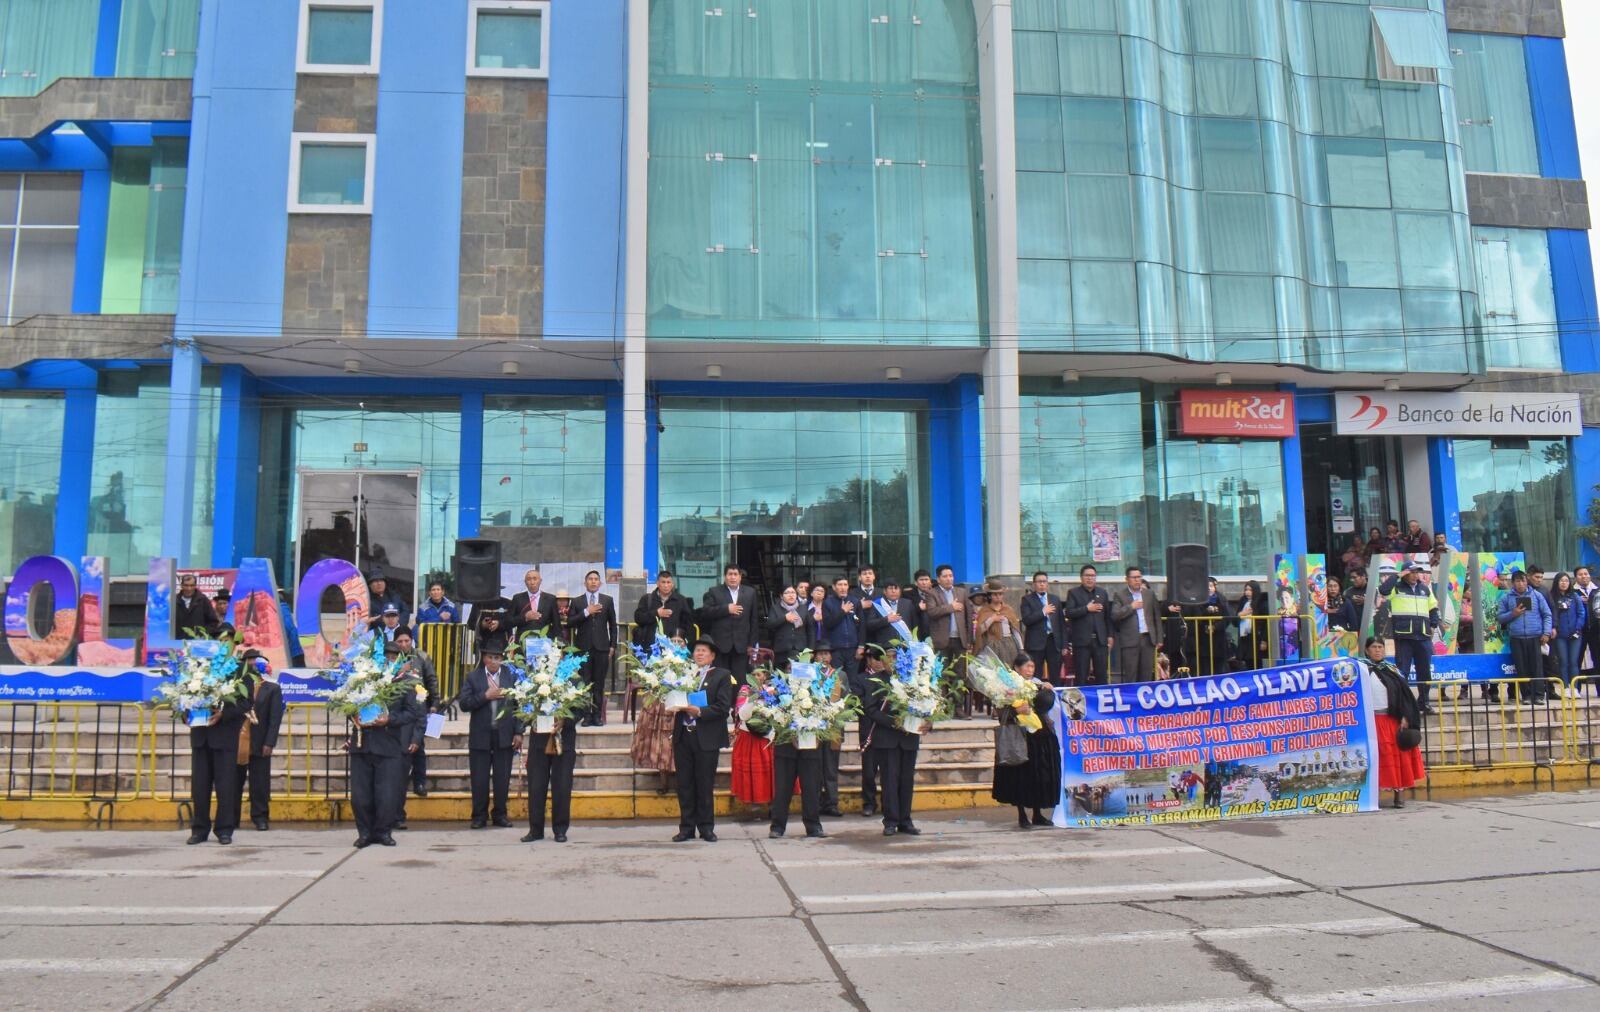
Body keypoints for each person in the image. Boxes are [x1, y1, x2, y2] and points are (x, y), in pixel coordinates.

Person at [346, 657, 425, 847]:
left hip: (389, 746)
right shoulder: (361, 681)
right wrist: (353, 714)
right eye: (384, 658)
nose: (387, 662)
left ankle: (383, 832)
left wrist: (389, 719)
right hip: (362, 745)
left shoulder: (406, 684)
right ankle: (364, 833)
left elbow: (411, 713)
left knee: (387, 794)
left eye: (392, 658)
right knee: (360, 794)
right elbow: (348, 705)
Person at [672, 638, 734, 842]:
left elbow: (723, 707)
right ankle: (686, 827)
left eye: (704, 651)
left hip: (706, 736)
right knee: (685, 784)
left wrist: (700, 711)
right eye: (697, 650)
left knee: (704, 783)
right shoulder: (682, 673)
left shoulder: (721, 675)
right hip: (683, 734)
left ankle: (706, 827)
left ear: (712, 655)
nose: (699, 654)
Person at [990, 656, 1061, 828]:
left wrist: (1046, 691)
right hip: (1018, 736)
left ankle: (1038, 814)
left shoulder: (1036, 683)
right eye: (1027, 666)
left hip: (1038, 735)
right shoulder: (1005, 686)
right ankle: (1022, 815)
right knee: (1020, 776)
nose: (1030, 670)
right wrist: (1015, 709)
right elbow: (998, 710)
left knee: (1039, 775)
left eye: (1032, 666)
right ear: (1017, 668)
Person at [185, 665, 249, 846]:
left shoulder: (238, 671)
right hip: (201, 737)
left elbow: (246, 703)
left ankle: (224, 829)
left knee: (226, 787)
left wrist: (224, 713)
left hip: (224, 738)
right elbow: (184, 697)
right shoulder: (195, 669)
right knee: (199, 787)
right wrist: (185, 714)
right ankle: (199, 830)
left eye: (225, 641)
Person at [862, 649, 923, 837]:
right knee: (889, 781)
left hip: (909, 737)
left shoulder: (913, 679)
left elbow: (925, 704)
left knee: (906, 780)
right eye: (889, 658)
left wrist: (927, 722)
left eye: (896, 658)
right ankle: (890, 820)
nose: (893, 661)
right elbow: (870, 709)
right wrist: (893, 722)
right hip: (887, 738)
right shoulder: (876, 680)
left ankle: (906, 820)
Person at [459, 645, 521, 828]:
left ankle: (500, 814)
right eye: (491, 657)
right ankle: (479, 816)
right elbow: (464, 704)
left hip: (504, 734)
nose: (494, 661)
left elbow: (519, 705)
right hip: (481, 734)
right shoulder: (473, 677)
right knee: (479, 778)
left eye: (497, 658)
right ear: (484, 658)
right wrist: (485, 696)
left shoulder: (511, 677)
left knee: (502, 778)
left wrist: (518, 731)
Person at [1363, 637, 1425, 808]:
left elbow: (1404, 696)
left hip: (1391, 720)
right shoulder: (1361, 671)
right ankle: (1372, 796)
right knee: (1374, 759)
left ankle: (1399, 794)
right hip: (1370, 721)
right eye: (1374, 647)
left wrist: (1405, 716)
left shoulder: (1392, 670)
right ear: (1367, 650)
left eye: (1380, 647)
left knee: (1397, 758)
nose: (1378, 650)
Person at [232, 651, 283, 832]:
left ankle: (260, 817)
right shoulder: (235, 686)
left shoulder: (272, 688)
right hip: (237, 742)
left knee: (260, 783)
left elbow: (275, 718)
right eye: (249, 662)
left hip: (260, 742)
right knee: (232, 782)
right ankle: (231, 818)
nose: (253, 665)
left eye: (256, 662)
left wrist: (269, 742)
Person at [1386, 562, 1439, 714]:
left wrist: (1433, 625)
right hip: (1404, 637)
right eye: (1413, 572)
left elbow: (1433, 608)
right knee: (1403, 672)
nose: (1416, 575)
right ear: (1405, 573)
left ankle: (1424, 702)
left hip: (1423, 637)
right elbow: (1383, 590)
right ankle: (1404, 705)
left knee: (1425, 672)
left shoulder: (1424, 588)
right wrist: (1397, 576)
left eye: (1418, 572)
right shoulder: (1396, 587)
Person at [522, 704, 579, 844]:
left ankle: (560, 830)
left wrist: (565, 721)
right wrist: (531, 719)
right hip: (538, 741)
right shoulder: (533, 681)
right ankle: (535, 830)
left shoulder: (574, 681)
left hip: (564, 741)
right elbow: (523, 704)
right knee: (536, 786)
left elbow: (581, 708)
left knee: (562, 786)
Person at [393, 628, 438, 800]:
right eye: (400, 641)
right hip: (398, 709)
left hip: (419, 706)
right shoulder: (391, 658)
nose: (403, 644)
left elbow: (431, 680)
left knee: (418, 746)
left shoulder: (421, 657)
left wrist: (435, 703)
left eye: (406, 641)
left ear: (411, 640)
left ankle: (420, 782)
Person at [568, 570, 617, 726]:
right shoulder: (577, 601)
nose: (593, 582)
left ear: (600, 583)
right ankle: (586, 715)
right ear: (585, 582)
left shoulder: (607, 600)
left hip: (602, 647)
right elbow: (570, 622)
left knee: (599, 683)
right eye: (590, 579)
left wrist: (612, 646)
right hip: (583, 647)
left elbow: (613, 625)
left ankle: (597, 715)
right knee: (585, 682)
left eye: (596, 579)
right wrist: (586, 612)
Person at [1497, 570, 1552, 705]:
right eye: (1517, 581)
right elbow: (1499, 617)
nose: (1520, 584)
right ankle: (1526, 696)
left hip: (1535, 636)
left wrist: (1546, 633)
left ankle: (1539, 695)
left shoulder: (1537, 595)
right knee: (1521, 668)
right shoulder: (1506, 598)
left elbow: (1547, 614)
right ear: (1513, 583)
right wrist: (1513, 613)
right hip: (1516, 638)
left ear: (1527, 581)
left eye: (1523, 581)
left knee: (1537, 667)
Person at [700, 564, 758, 680]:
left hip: (741, 645)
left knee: (740, 679)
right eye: (730, 574)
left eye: (735, 574)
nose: (733, 577)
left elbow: (754, 619)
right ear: (725, 576)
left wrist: (752, 644)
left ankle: (737, 699)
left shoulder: (750, 593)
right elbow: (706, 612)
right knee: (720, 679)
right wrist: (726, 609)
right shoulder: (714, 591)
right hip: (721, 645)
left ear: (740, 577)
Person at [731, 671, 776, 819]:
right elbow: (742, 715)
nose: (758, 677)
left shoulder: (773, 689)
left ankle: (773, 804)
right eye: (755, 675)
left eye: (761, 674)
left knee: (770, 773)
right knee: (750, 772)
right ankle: (753, 805)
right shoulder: (745, 691)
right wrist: (753, 698)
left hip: (767, 737)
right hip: (748, 736)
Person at [811, 642, 845, 817]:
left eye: (826, 654)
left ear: (831, 657)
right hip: (814, 728)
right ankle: (814, 803)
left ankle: (832, 803)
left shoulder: (840, 675)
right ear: (814, 656)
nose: (823, 657)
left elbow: (847, 703)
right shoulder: (809, 674)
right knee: (815, 768)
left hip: (833, 729)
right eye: (820, 654)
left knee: (831, 768)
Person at [1064, 565, 1113, 685]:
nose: (1090, 578)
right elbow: (1069, 612)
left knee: (1102, 675)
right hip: (1082, 642)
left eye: (1092, 576)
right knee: (1081, 675)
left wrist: (1110, 636)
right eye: (1087, 575)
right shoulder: (1073, 593)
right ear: (1081, 578)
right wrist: (1087, 608)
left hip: (1100, 641)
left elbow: (1108, 617)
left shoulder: (1102, 593)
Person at [1110, 566, 1160, 683]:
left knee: (1146, 673)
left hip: (1148, 638)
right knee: (1131, 674)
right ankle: (1132, 699)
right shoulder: (1120, 595)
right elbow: (1115, 615)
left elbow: (1156, 616)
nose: (1137, 580)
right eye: (1134, 577)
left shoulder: (1149, 594)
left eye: (1139, 577)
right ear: (1127, 579)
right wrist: (1131, 607)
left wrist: (1159, 637)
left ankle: (1145, 699)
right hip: (1130, 640)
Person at [1019, 571, 1063, 683]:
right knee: (1035, 675)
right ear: (1034, 584)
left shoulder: (1055, 599)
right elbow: (1027, 620)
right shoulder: (1027, 599)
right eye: (1039, 582)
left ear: (1047, 584)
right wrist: (1043, 612)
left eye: (1044, 581)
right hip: (1035, 644)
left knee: (1055, 675)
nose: (1042, 584)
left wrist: (1064, 644)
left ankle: (1054, 698)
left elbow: (1061, 623)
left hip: (1053, 642)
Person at [923, 565, 971, 665]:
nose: (949, 579)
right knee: (942, 673)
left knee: (960, 673)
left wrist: (970, 639)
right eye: (945, 576)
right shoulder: (932, 593)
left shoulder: (962, 592)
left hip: (960, 640)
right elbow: (932, 612)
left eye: (951, 576)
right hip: (942, 641)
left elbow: (968, 617)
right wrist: (951, 607)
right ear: (938, 579)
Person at [1550, 572, 1588, 696]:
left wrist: (1577, 628)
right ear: (1556, 582)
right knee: (1563, 661)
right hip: (1560, 635)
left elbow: (1581, 613)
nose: (1564, 583)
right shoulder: (1552, 597)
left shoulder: (1575, 596)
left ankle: (1575, 688)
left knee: (1573, 661)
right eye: (1561, 580)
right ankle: (1565, 687)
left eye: (1566, 580)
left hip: (1575, 634)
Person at [634, 570, 693, 648]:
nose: (666, 585)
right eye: (663, 582)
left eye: (668, 582)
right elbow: (638, 618)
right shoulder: (647, 599)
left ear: (672, 584)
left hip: (673, 647)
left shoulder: (680, 600)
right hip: (650, 646)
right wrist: (656, 614)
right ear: (658, 583)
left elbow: (688, 624)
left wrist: (684, 640)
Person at [974, 579, 1022, 666]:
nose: (998, 597)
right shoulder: (984, 611)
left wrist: (1021, 648)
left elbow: (1015, 630)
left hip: (1009, 644)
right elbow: (979, 630)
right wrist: (992, 619)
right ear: (990, 596)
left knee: (1009, 668)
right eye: (995, 594)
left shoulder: (1008, 609)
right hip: (992, 645)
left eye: (1000, 594)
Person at [823, 575, 863, 678]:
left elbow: (862, 626)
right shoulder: (828, 603)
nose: (843, 587)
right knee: (837, 680)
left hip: (853, 649)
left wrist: (861, 646)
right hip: (835, 649)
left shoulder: (855, 601)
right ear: (834, 587)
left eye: (845, 585)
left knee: (853, 679)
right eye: (840, 585)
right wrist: (843, 612)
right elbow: (828, 624)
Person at [1194, 578, 1235, 677]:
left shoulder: (1221, 599)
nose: (1209, 588)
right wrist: (1207, 612)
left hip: (1218, 639)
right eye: (1206, 586)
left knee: (1219, 667)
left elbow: (1227, 617)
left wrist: (1215, 627)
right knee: (1205, 666)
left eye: (1211, 586)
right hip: (1204, 639)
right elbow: (1196, 616)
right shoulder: (1198, 600)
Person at [863, 579, 918, 653]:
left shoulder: (908, 603)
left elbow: (914, 625)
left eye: (896, 588)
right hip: (886, 647)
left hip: (906, 647)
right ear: (885, 591)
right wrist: (886, 620)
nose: (893, 591)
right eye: (890, 588)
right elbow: (869, 625)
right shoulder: (877, 604)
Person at [509, 569, 560, 642]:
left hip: (544, 641)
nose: (532, 582)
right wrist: (525, 617)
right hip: (523, 641)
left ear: (540, 581)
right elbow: (509, 621)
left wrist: (559, 644)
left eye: (535, 579)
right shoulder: (517, 598)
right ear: (525, 582)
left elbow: (556, 624)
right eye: (529, 579)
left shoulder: (550, 599)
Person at [766, 585, 810, 664]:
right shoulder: (775, 608)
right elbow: (769, 625)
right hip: (782, 648)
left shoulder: (803, 608)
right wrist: (784, 618)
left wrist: (811, 648)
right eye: (787, 593)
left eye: (793, 592)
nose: (791, 595)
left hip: (800, 648)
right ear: (781, 596)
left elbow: (810, 629)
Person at [174, 574, 222, 639]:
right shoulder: (174, 601)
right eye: (186, 585)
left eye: (192, 585)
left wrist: (203, 635)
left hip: (198, 642)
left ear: (195, 586)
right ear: (181, 585)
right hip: (177, 642)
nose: (189, 588)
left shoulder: (203, 600)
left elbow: (213, 622)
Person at [1235, 581, 1268, 671]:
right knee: (1248, 664)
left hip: (1257, 638)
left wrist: (1264, 640)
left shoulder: (1262, 603)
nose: (1247, 592)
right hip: (1245, 638)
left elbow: (1266, 623)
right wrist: (1241, 614)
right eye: (1246, 589)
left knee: (1257, 665)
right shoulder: (1243, 601)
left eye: (1250, 590)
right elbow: (1234, 622)